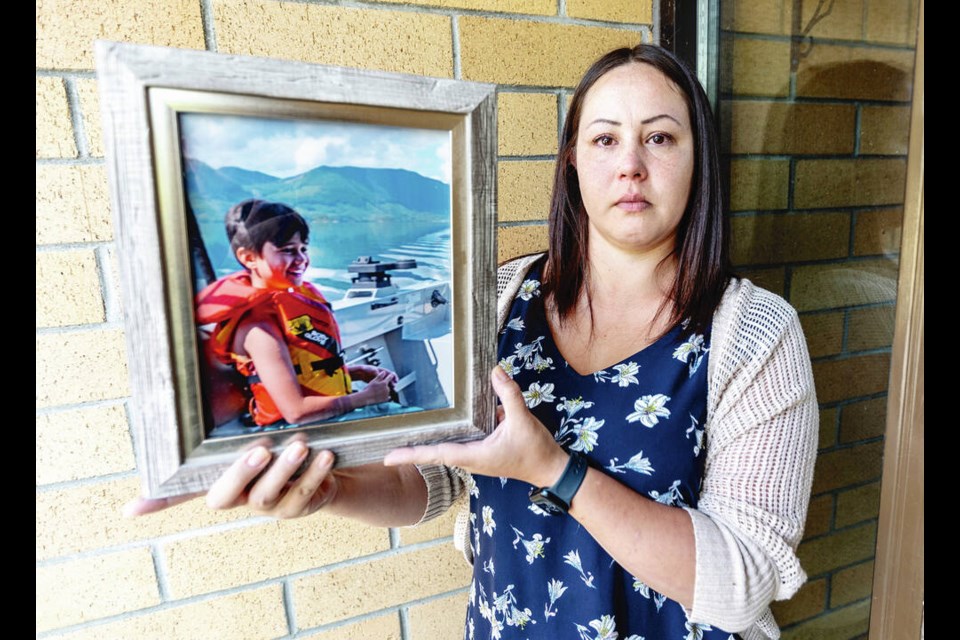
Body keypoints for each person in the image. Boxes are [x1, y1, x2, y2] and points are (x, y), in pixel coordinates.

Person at [129, 45, 817, 640]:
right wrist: (328, 487)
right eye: (605, 139)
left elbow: (743, 581)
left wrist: (556, 471)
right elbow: (434, 478)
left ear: (699, 160)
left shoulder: (753, 333)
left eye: (660, 138)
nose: (630, 164)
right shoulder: (503, 295)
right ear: (572, 162)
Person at [196, 198, 398, 428]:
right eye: (288, 251)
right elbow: (295, 412)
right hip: (297, 432)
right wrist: (365, 397)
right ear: (249, 258)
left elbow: (303, 374)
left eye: (303, 249)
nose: (301, 259)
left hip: (325, 419)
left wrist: (357, 372)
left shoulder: (292, 301)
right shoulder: (259, 329)